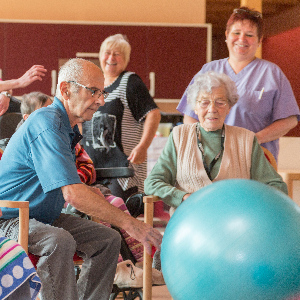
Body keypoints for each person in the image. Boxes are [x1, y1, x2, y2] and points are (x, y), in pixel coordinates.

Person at [0, 58, 162, 300]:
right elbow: (72, 193)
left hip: (43, 218)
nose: (101, 100)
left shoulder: (68, 127)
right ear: (66, 90)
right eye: (94, 91)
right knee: (58, 241)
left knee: (108, 239)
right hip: (10, 218)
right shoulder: (47, 122)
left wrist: (90, 194)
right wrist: (131, 224)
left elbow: (69, 185)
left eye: (103, 92)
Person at [145, 71, 288, 211]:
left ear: (229, 108)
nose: (212, 109)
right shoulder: (179, 136)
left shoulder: (246, 140)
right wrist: (183, 197)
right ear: (194, 107)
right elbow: (153, 182)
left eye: (220, 102)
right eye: (204, 103)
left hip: (233, 223)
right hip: (188, 222)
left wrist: (248, 201)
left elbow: (276, 186)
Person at [176, 6, 300, 162]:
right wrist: (208, 143)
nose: (242, 39)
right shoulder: (209, 70)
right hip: (212, 159)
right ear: (227, 35)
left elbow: (289, 120)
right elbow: (190, 115)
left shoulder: (271, 73)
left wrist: (254, 140)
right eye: (236, 33)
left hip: (257, 159)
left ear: (259, 40)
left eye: (249, 35)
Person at [82, 34, 161, 200]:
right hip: (91, 171)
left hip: (122, 172)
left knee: (120, 220)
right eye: (108, 53)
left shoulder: (130, 82)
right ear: (100, 55)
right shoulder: (92, 85)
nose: (111, 58)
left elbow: (153, 114)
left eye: (117, 54)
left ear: (125, 59)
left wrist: (143, 147)